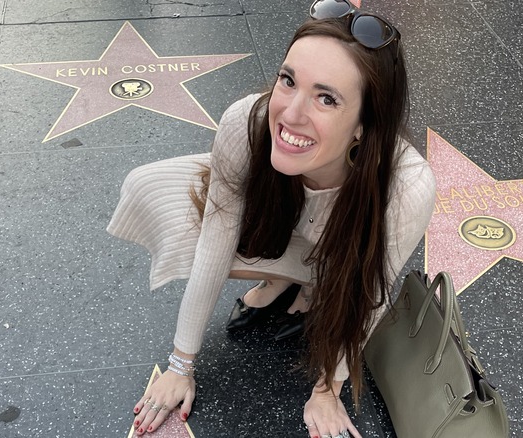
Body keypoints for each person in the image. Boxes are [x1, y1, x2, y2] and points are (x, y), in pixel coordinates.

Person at [107, 1, 436, 436]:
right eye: (288, 80)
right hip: (283, 228)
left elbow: (367, 295)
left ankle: (312, 282)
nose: (292, 114)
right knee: (164, 206)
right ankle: (287, 278)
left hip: (338, 251)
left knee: (341, 283)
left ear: (364, 124)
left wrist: (327, 390)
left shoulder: (407, 185)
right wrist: (180, 364)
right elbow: (214, 244)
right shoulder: (247, 121)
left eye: (327, 98)